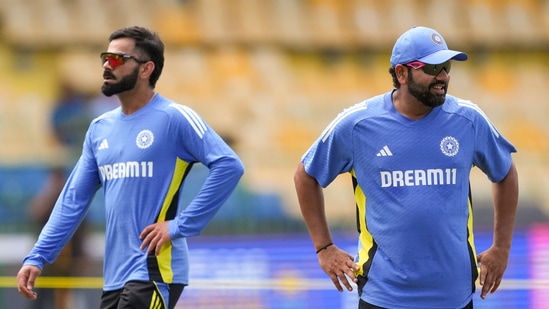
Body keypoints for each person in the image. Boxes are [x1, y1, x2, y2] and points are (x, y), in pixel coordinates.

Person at [17, 26, 245, 309]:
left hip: (154, 270)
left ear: (146, 69)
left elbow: (229, 165)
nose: (106, 65)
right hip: (114, 277)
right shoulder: (99, 129)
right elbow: (73, 200)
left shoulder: (175, 118)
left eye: (117, 59)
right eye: (105, 57)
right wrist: (38, 256)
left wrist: (180, 225)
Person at [294, 26, 518, 309]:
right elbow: (306, 175)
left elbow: (506, 173)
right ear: (401, 73)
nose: (444, 77)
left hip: (454, 298)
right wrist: (324, 248)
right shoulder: (357, 124)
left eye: (447, 67)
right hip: (383, 297)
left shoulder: (469, 119)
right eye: (433, 67)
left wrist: (502, 248)